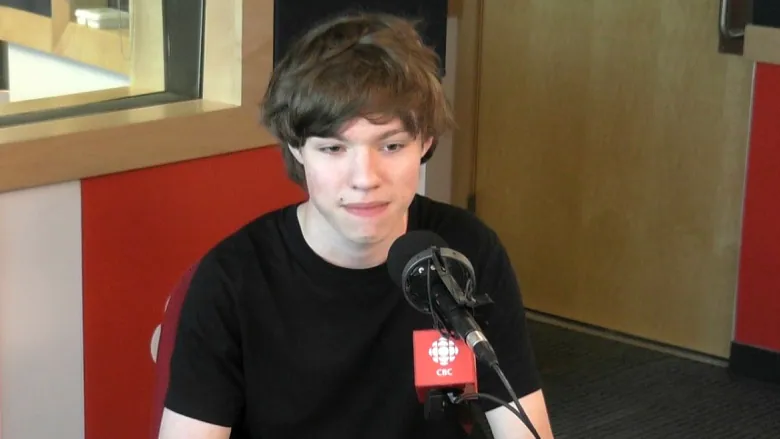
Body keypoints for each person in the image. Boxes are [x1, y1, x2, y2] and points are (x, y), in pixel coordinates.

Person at [157, 11, 554, 439]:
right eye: (332, 148)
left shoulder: (466, 249)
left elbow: (525, 427)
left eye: (392, 145)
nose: (365, 178)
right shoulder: (232, 280)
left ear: (426, 143)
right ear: (297, 148)